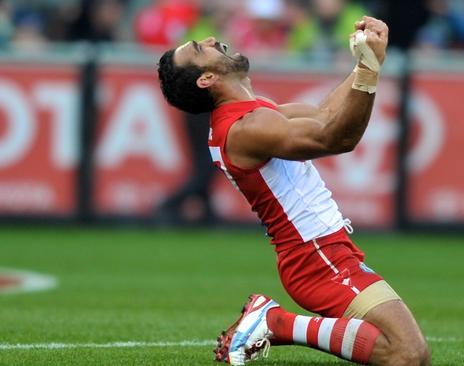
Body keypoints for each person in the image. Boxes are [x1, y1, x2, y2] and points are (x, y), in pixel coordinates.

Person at [157, 15, 430, 366]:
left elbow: (324, 113)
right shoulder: (246, 128)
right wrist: (369, 70)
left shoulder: (251, 115)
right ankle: (276, 323)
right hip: (316, 258)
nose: (210, 39)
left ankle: (277, 323)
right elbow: (336, 137)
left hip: (319, 253)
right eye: (199, 48)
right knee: (407, 354)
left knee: (410, 355)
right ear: (207, 78)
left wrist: (367, 60)